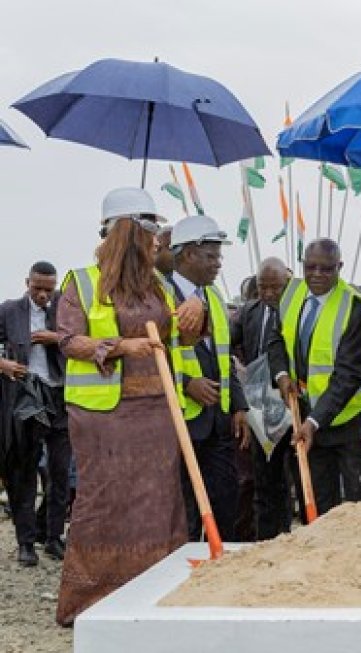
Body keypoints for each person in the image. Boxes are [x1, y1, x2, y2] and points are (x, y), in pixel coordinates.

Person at [55, 187, 203, 625]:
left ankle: (153, 596)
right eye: (151, 227)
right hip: (104, 416)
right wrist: (119, 345)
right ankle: (92, 601)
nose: (158, 238)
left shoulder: (159, 286)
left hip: (157, 413)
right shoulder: (80, 281)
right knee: (103, 504)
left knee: (160, 503)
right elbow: (68, 340)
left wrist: (196, 308)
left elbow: (184, 337)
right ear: (127, 230)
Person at [269, 238, 361, 515]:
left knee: (356, 502)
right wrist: (282, 376)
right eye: (311, 267)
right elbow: (276, 340)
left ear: (339, 267)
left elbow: (348, 375)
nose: (317, 275)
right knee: (317, 500)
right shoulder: (291, 294)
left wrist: (315, 421)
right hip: (304, 415)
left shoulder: (354, 309)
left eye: (326, 269)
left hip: (347, 420)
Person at [169, 214, 249, 542]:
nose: (218, 264)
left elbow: (223, 358)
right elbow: (152, 356)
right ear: (188, 254)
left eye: (219, 256)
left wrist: (239, 406)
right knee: (185, 508)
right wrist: (186, 383)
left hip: (218, 422)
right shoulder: (159, 296)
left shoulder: (213, 297)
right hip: (181, 423)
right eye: (211, 256)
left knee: (224, 503)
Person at [0, 261, 71, 566]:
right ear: (27, 282)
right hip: (26, 395)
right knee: (24, 472)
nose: (43, 294)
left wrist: (54, 338)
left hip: (60, 396)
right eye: (37, 288)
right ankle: (26, 542)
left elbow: (79, 340)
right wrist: (3, 365)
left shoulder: (65, 310)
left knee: (60, 472)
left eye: (48, 289)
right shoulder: (9, 310)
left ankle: (53, 538)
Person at [230, 257, 302, 538]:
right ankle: (267, 537)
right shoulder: (249, 312)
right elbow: (225, 341)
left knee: (295, 474)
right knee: (265, 477)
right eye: (263, 288)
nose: (269, 294)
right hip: (260, 407)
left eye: (276, 288)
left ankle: (291, 533)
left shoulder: (299, 310)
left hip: (293, 403)